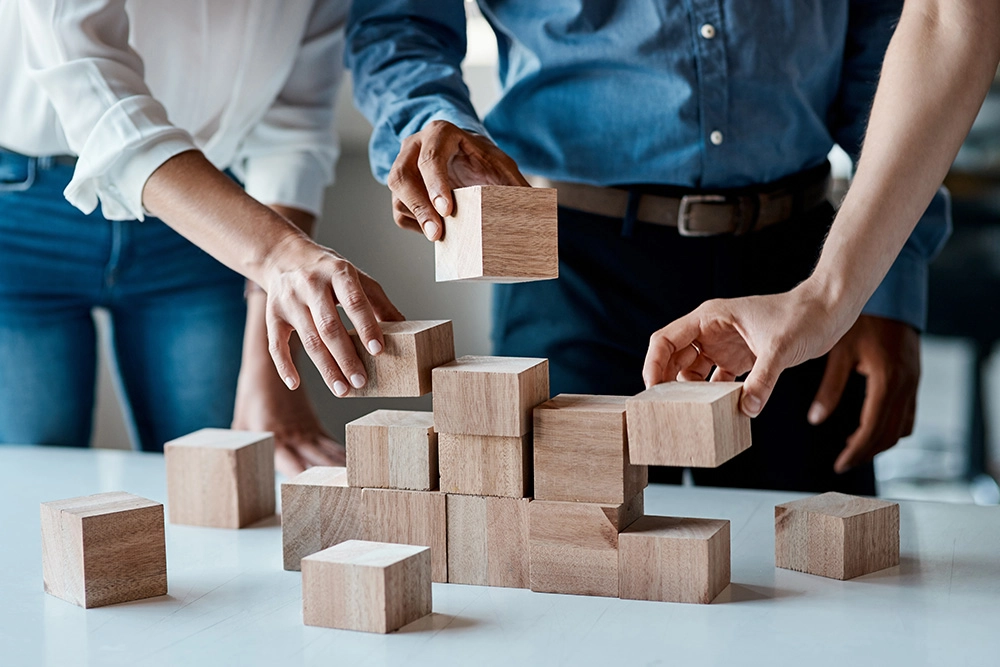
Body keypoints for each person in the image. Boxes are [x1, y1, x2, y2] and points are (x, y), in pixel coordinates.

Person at [348, 1, 951, 494]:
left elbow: (897, 34)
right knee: (572, 562)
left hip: (800, 262)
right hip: (575, 267)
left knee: (817, 581)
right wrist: (426, 120)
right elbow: (398, 20)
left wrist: (886, 280)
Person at [0, 0, 402, 476]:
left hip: (211, 215)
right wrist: (276, 253)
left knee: (217, 474)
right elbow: (99, 102)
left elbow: (291, 126)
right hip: (22, 212)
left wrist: (271, 374)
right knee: (36, 473)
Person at [642, 0, 1000, 474]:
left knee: (821, 528)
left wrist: (862, 289)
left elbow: (939, 17)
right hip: (582, 262)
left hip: (799, 241)